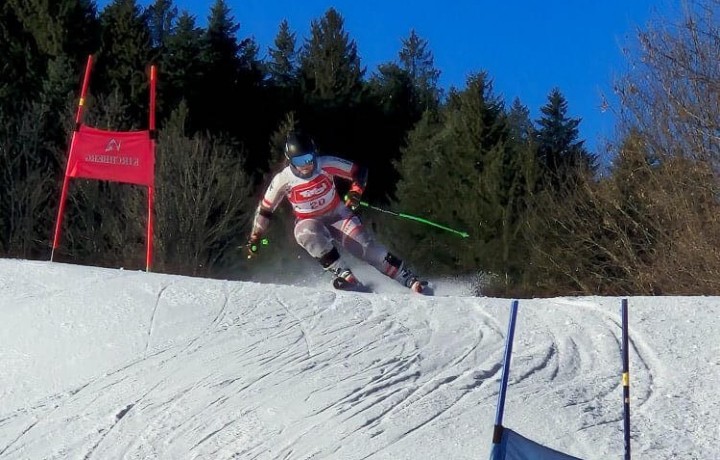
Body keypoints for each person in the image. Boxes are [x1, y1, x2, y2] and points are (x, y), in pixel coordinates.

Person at [245, 131, 426, 293]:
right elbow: (266, 209)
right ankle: (343, 273)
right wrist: (256, 235)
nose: (306, 165)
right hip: (310, 221)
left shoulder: (326, 164)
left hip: (338, 215)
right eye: (300, 161)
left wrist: (355, 192)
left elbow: (359, 171)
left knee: (366, 248)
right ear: (291, 161)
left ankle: (408, 279)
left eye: (309, 158)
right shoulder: (283, 180)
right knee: (304, 232)